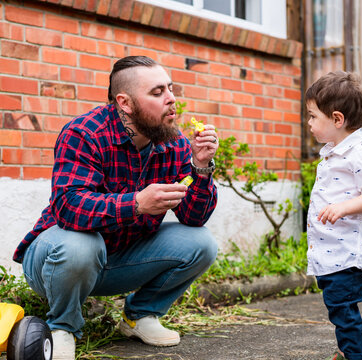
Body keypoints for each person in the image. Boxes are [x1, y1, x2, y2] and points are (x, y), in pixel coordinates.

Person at [13, 56, 219, 360]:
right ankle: (62, 326)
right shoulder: (85, 133)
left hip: (120, 260)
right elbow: (68, 207)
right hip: (58, 259)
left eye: (171, 89)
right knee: (81, 243)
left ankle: (140, 316)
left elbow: (195, 216)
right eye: (157, 92)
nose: (172, 99)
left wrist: (200, 167)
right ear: (125, 103)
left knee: (201, 243)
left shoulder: (173, 144)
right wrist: (136, 203)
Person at [305, 71, 362, 360]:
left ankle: (355, 355)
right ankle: (347, 351)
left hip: (352, 254)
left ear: (337, 119)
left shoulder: (361, 154)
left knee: (343, 308)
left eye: (313, 116)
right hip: (334, 252)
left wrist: (341, 207)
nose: (309, 123)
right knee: (337, 306)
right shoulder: (334, 153)